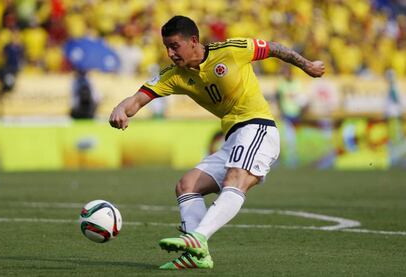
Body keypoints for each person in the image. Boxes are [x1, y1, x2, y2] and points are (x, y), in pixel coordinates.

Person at [109, 15, 325, 270]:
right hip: (233, 138)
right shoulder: (174, 76)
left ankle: (197, 238)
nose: (170, 53)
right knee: (186, 185)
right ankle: (196, 256)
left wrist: (307, 65)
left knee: (236, 179)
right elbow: (137, 99)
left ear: (193, 41)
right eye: (166, 47)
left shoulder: (232, 51)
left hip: (258, 127)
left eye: (175, 46)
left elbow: (274, 48)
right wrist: (120, 109)